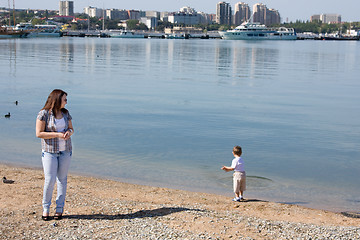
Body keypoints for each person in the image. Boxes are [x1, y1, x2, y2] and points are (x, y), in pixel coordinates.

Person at [35, 89, 74, 221]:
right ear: (57, 99)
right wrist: (57, 134)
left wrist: (69, 132)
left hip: (66, 151)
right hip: (49, 152)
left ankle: (59, 209)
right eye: (65, 99)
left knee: (62, 180)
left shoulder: (65, 113)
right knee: (50, 180)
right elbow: (39, 133)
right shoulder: (44, 114)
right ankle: (46, 209)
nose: (66, 102)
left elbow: (71, 128)